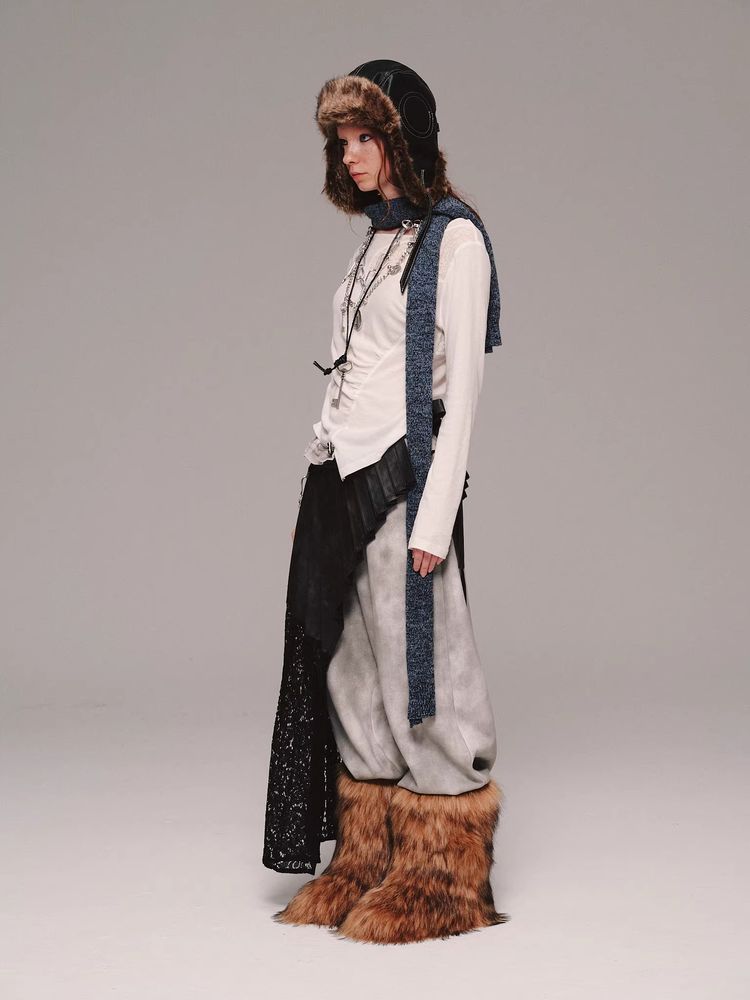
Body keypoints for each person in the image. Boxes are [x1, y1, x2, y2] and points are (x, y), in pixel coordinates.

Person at [263, 60, 509, 944]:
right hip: (339, 476)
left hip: (404, 477)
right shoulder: (375, 241)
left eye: (366, 138)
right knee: (350, 668)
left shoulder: (457, 242)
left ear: (405, 139)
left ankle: (443, 876)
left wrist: (434, 518)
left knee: (423, 669)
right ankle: (367, 858)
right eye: (342, 142)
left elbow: (463, 395)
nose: (351, 156)